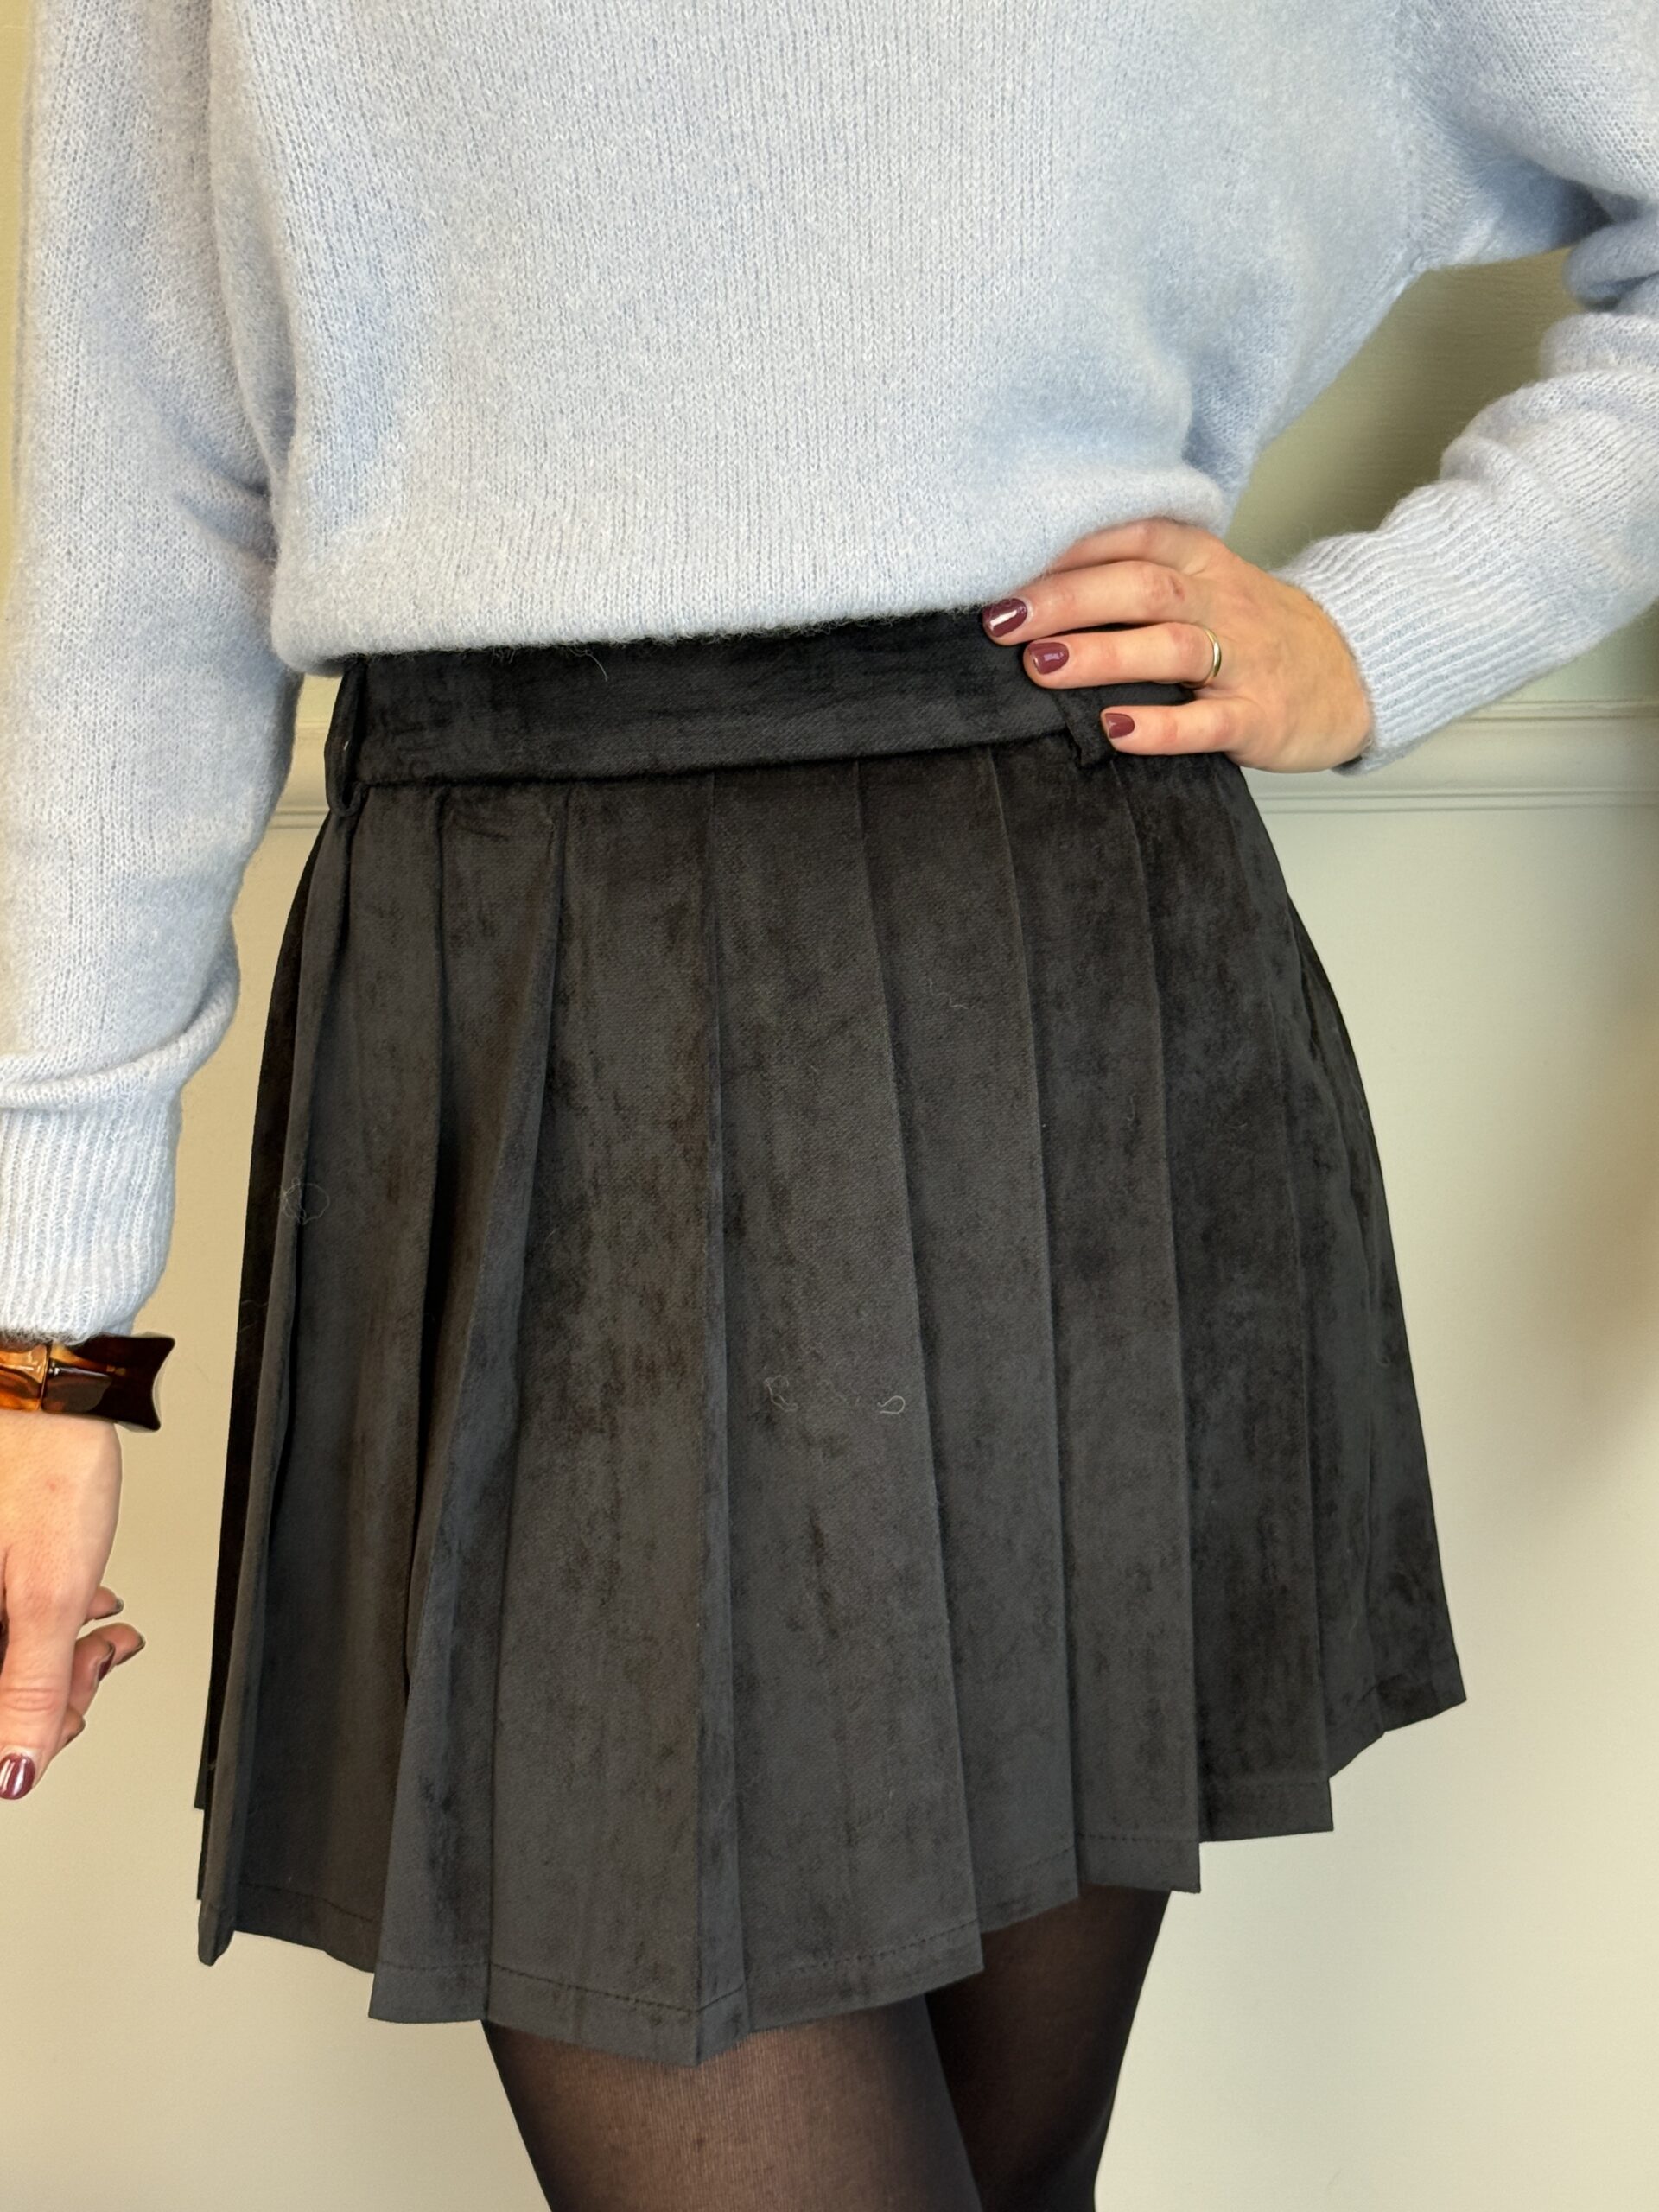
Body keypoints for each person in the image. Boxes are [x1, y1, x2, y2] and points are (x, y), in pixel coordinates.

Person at [1, 3, 1655, 2204]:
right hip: (524, 1029)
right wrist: (42, 1338)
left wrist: (1395, 627)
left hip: (1053, 1020)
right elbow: (134, 532)